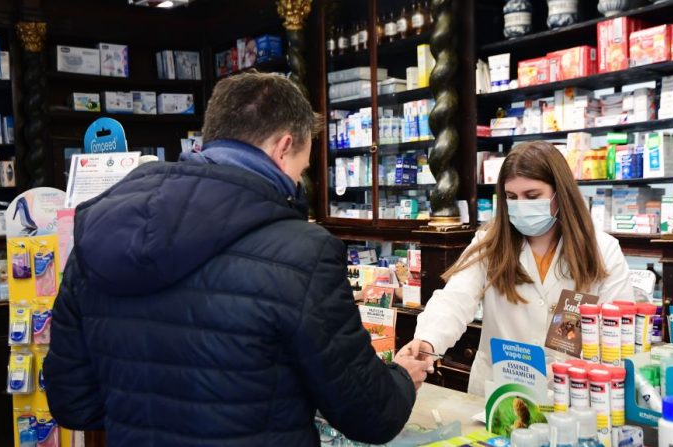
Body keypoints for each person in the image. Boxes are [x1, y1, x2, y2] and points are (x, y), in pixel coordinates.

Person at [44, 72, 433, 446]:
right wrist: (401, 378)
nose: (299, 182)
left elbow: (73, 403)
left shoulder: (97, 238)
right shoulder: (301, 252)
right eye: (303, 167)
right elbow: (369, 414)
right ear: (283, 147)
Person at [400, 141, 634, 396]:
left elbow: (620, 331)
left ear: (560, 194)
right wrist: (428, 339)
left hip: (573, 396)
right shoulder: (490, 243)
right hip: (499, 395)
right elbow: (455, 299)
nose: (521, 205)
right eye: (511, 197)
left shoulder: (602, 249)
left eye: (532, 196)